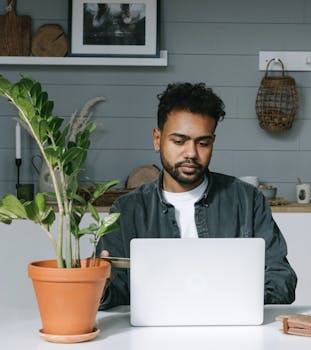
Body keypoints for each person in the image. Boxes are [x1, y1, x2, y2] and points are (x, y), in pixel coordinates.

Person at [97, 82, 297, 309]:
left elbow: (281, 278)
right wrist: (99, 289)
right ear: (157, 139)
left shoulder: (248, 201)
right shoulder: (126, 210)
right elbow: (115, 295)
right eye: (179, 141)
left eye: (203, 143)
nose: (191, 153)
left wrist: (235, 303)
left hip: (231, 327)